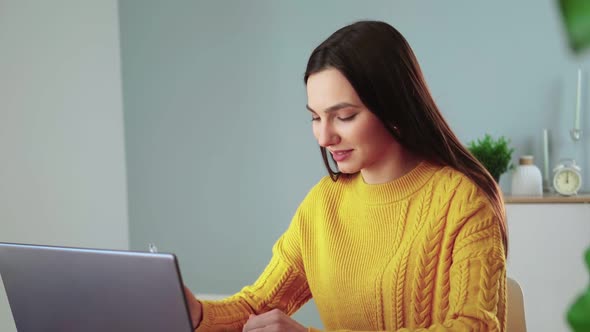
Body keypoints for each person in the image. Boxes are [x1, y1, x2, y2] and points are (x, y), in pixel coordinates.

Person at [184, 20, 508, 331]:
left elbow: (474, 327)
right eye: (315, 118)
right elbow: (258, 304)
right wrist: (196, 312)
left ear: (393, 107)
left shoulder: (463, 202)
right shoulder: (323, 203)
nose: (324, 138)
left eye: (344, 116)